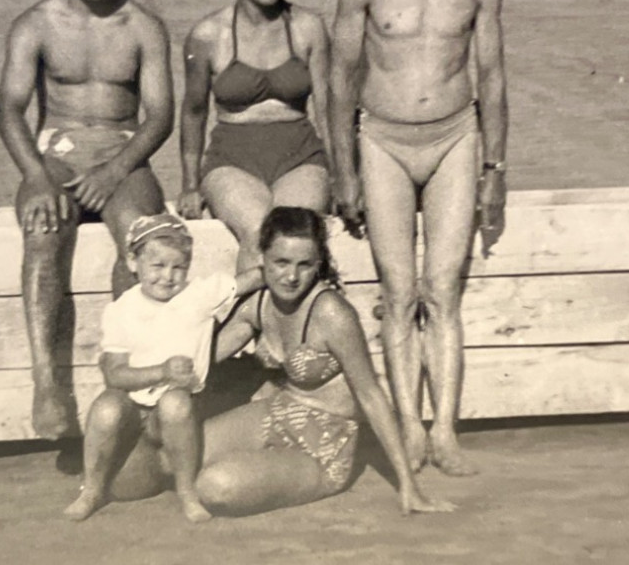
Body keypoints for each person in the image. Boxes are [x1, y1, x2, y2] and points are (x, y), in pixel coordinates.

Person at [329, 0, 508, 478]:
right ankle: (408, 425)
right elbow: (341, 76)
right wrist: (344, 168)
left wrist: (496, 171)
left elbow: (491, 76)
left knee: (444, 290)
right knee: (399, 292)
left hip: (457, 137)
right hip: (382, 139)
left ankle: (446, 430)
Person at [0, 0, 174, 441]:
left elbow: (161, 115)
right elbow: (8, 110)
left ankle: (129, 391)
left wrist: (117, 169)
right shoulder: (37, 24)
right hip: (59, 152)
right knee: (44, 233)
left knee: (141, 243)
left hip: (122, 150)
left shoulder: (142, 25)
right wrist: (35, 174)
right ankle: (48, 386)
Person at [192, 207, 455, 517]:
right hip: (277, 413)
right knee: (178, 456)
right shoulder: (259, 303)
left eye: (305, 265)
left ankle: (266, 470)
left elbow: (372, 397)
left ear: (319, 264)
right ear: (261, 258)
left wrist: (409, 486)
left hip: (324, 445)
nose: (291, 277)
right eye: (281, 262)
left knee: (215, 486)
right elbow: (199, 359)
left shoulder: (332, 313)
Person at [62, 213, 262, 524]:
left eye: (178, 267)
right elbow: (114, 374)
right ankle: (92, 489)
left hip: (180, 407)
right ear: (133, 262)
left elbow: (253, 278)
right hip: (134, 407)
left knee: (175, 402)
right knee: (105, 407)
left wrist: (288, 270)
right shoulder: (122, 310)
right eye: (157, 266)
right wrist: (162, 371)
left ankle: (187, 492)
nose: (167, 277)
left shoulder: (199, 294)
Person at [177, 0, 331, 271]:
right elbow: (194, 112)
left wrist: (342, 174)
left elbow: (328, 108)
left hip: (300, 156)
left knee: (296, 238)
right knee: (259, 233)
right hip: (232, 159)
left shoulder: (309, 28)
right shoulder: (207, 35)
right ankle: (251, 324)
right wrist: (188, 184)